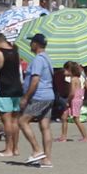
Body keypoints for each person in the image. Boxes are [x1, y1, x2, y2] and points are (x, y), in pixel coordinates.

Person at [19, 32, 56, 166]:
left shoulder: (38, 60)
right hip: (49, 95)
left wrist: (25, 98)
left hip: (39, 96)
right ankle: (47, 159)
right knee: (45, 126)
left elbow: (35, 80)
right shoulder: (47, 58)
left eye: (32, 42)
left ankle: (36, 149)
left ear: (36, 44)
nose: (30, 44)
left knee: (22, 121)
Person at [0, 31, 23, 158]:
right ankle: (15, 148)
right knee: (15, 121)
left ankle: (8, 148)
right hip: (17, 88)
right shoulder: (15, 52)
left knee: (7, 121)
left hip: (6, 89)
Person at [58, 61, 87, 142]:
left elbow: (72, 92)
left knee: (76, 118)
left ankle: (85, 136)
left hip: (74, 100)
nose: (64, 72)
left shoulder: (73, 80)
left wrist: (68, 100)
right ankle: (63, 136)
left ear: (70, 70)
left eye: (65, 70)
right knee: (64, 117)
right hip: (77, 100)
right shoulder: (76, 79)